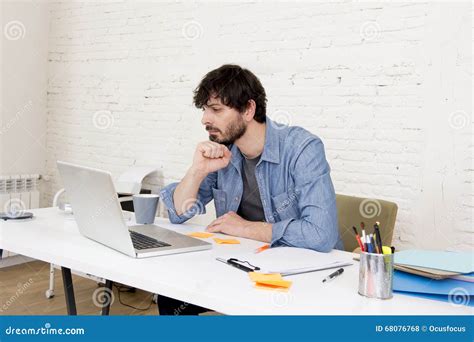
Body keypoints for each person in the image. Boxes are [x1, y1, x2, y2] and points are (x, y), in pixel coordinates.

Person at [158, 64, 343, 315]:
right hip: (246, 265)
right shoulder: (224, 151)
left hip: (301, 277)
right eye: (204, 110)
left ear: (248, 109)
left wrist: (245, 228)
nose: (205, 119)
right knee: (170, 298)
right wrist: (197, 170)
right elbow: (178, 213)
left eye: (215, 110)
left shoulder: (302, 149)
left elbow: (321, 235)